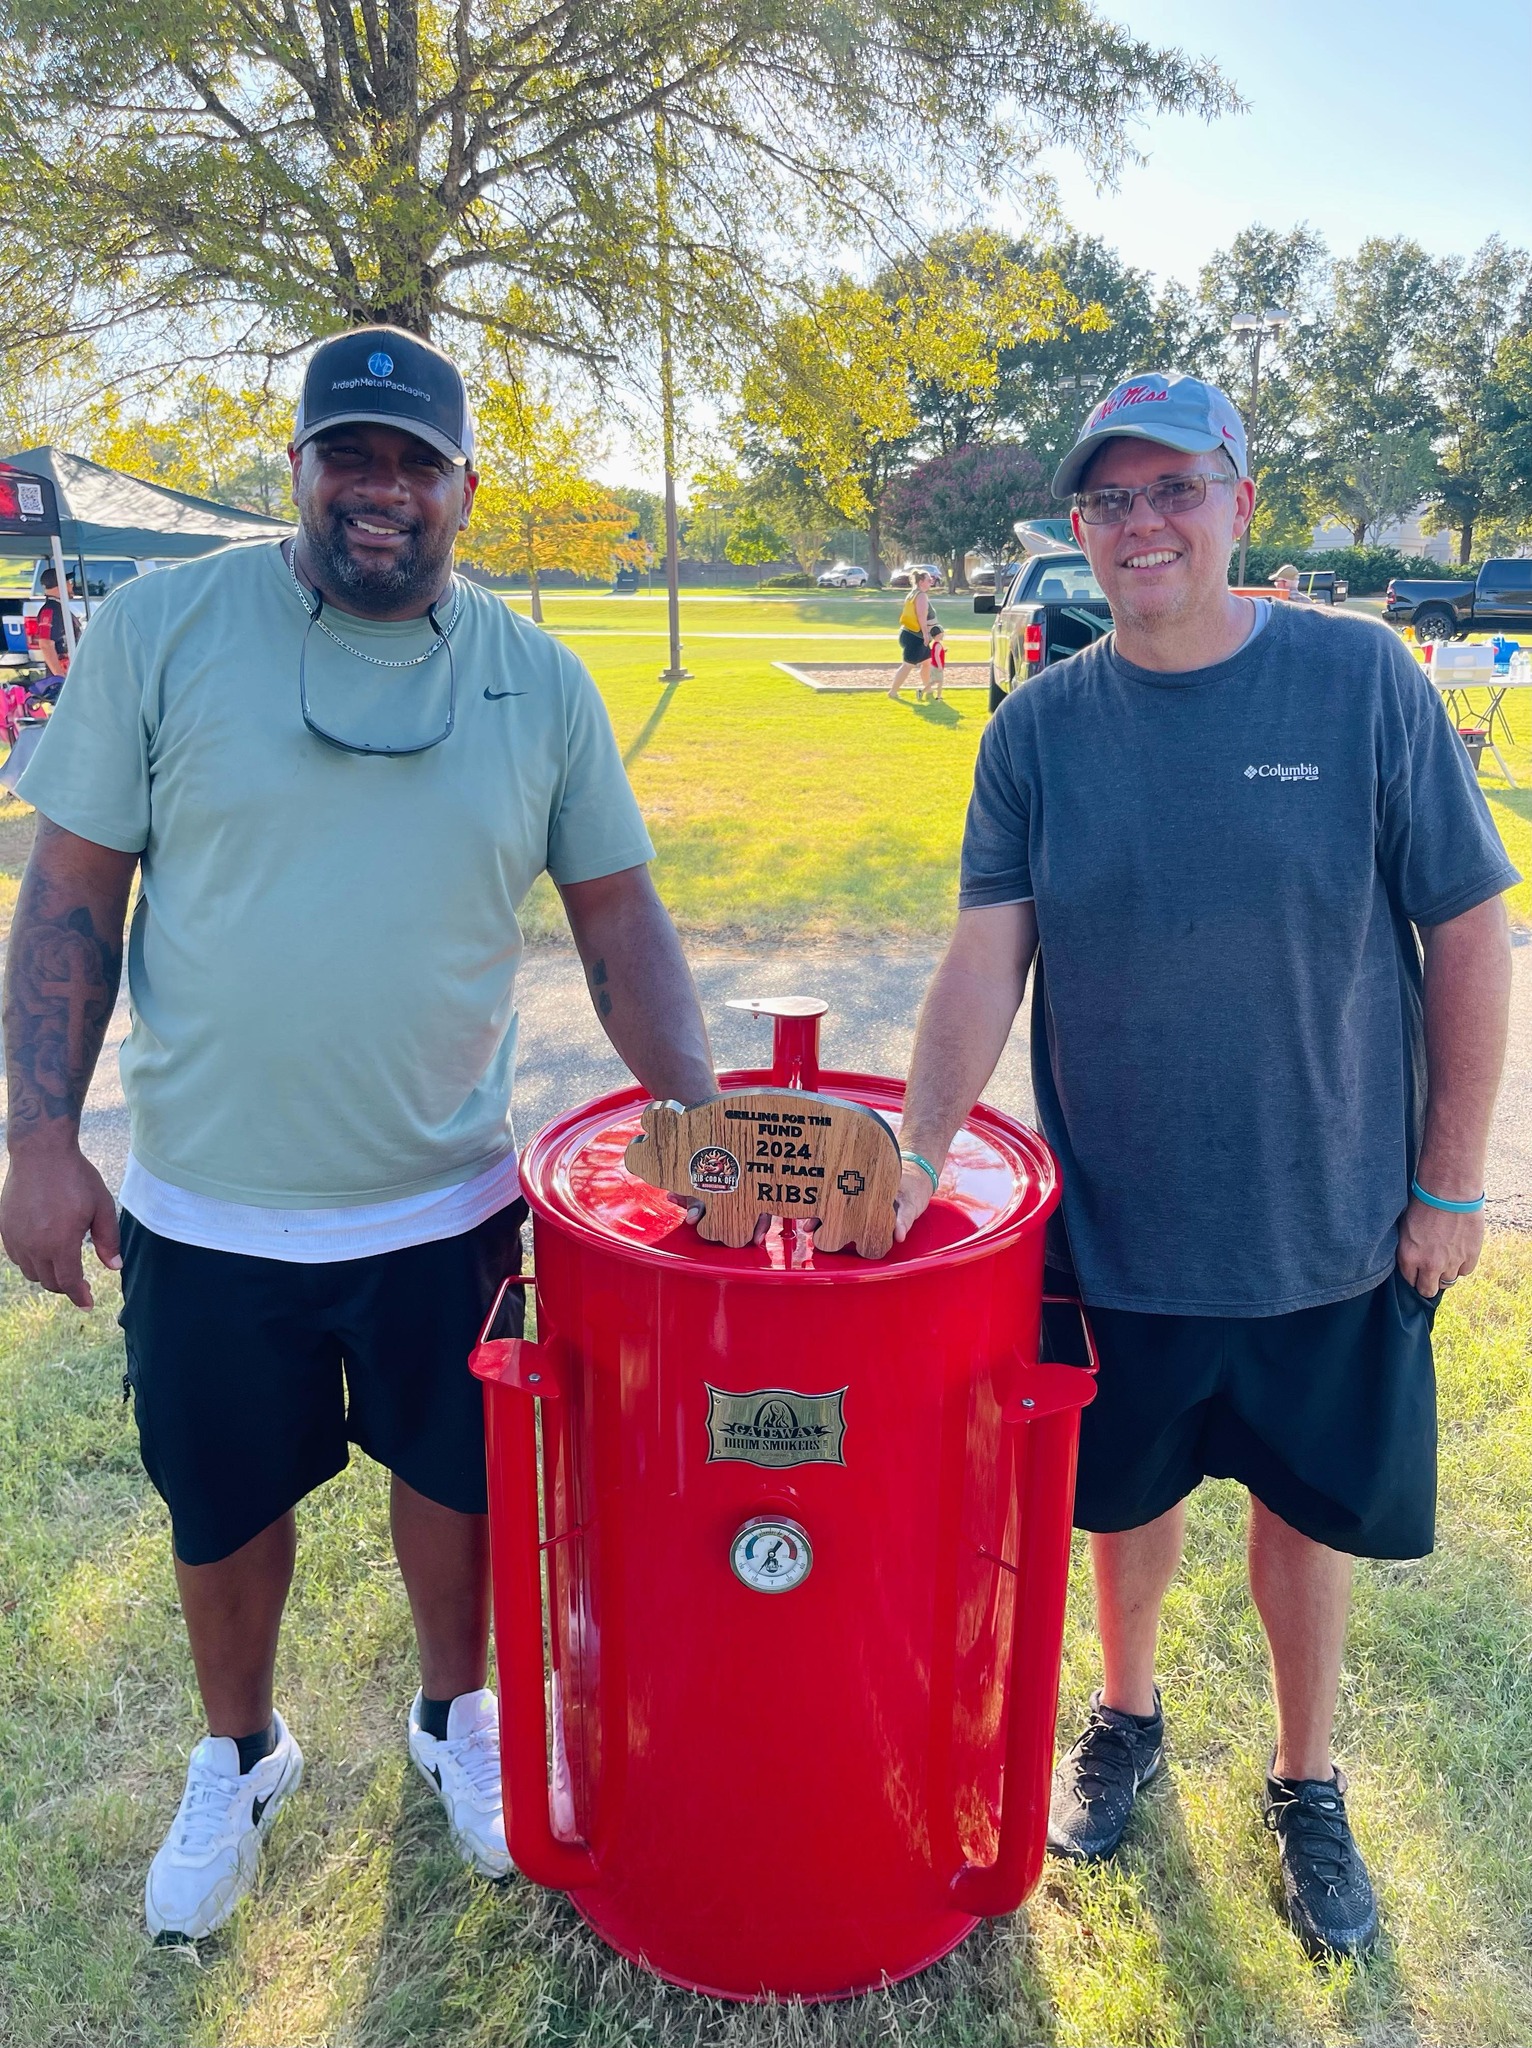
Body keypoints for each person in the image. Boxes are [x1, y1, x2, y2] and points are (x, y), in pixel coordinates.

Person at [0, 325, 718, 1944]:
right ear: (300, 469)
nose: (380, 488)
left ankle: (456, 1715)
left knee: (458, 1480)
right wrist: (39, 1139)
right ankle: (239, 1750)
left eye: (414, 462)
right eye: (350, 455)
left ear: (464, 487)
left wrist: (698, 1121)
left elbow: (618, 917)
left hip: (444, 1199)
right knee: (218, 1502)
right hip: (208, 1204)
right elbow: (71, 897)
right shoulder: (164, 630)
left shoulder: (537, 678)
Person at [890, 371, 1515, 1959]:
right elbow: (984, 959)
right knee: (1130, 1501)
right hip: (1122, 1232)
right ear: (1080, 527)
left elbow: (1468, 926)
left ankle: (1307, 1781)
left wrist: (1450, 1181)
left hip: (1334, 1224)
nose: (1143, 523)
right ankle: (1127, 1717)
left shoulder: (1359, 681)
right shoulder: (1038, 731)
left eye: (1175, 488)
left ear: (1242, 500)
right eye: (1111, 499)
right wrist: (917, 1148)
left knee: (1304, 1516)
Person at [888, 570, 941, 699]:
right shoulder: (921, 596)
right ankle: (893, 692)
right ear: (921, 582)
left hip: (909, 634)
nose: (931, 582)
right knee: (908, 665)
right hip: (916, 637)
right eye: (928, 580)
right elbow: (921, 616)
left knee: (926, 662)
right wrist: (926, 634)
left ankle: (928, 690)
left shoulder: (913, 594)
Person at [33, 561, 82, 685]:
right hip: (64, 677)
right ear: (60, 584)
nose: (71, 585)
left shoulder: (58, 608)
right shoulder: (50, 610)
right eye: (68, 582)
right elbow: (45, 644)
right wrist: (59, 677)